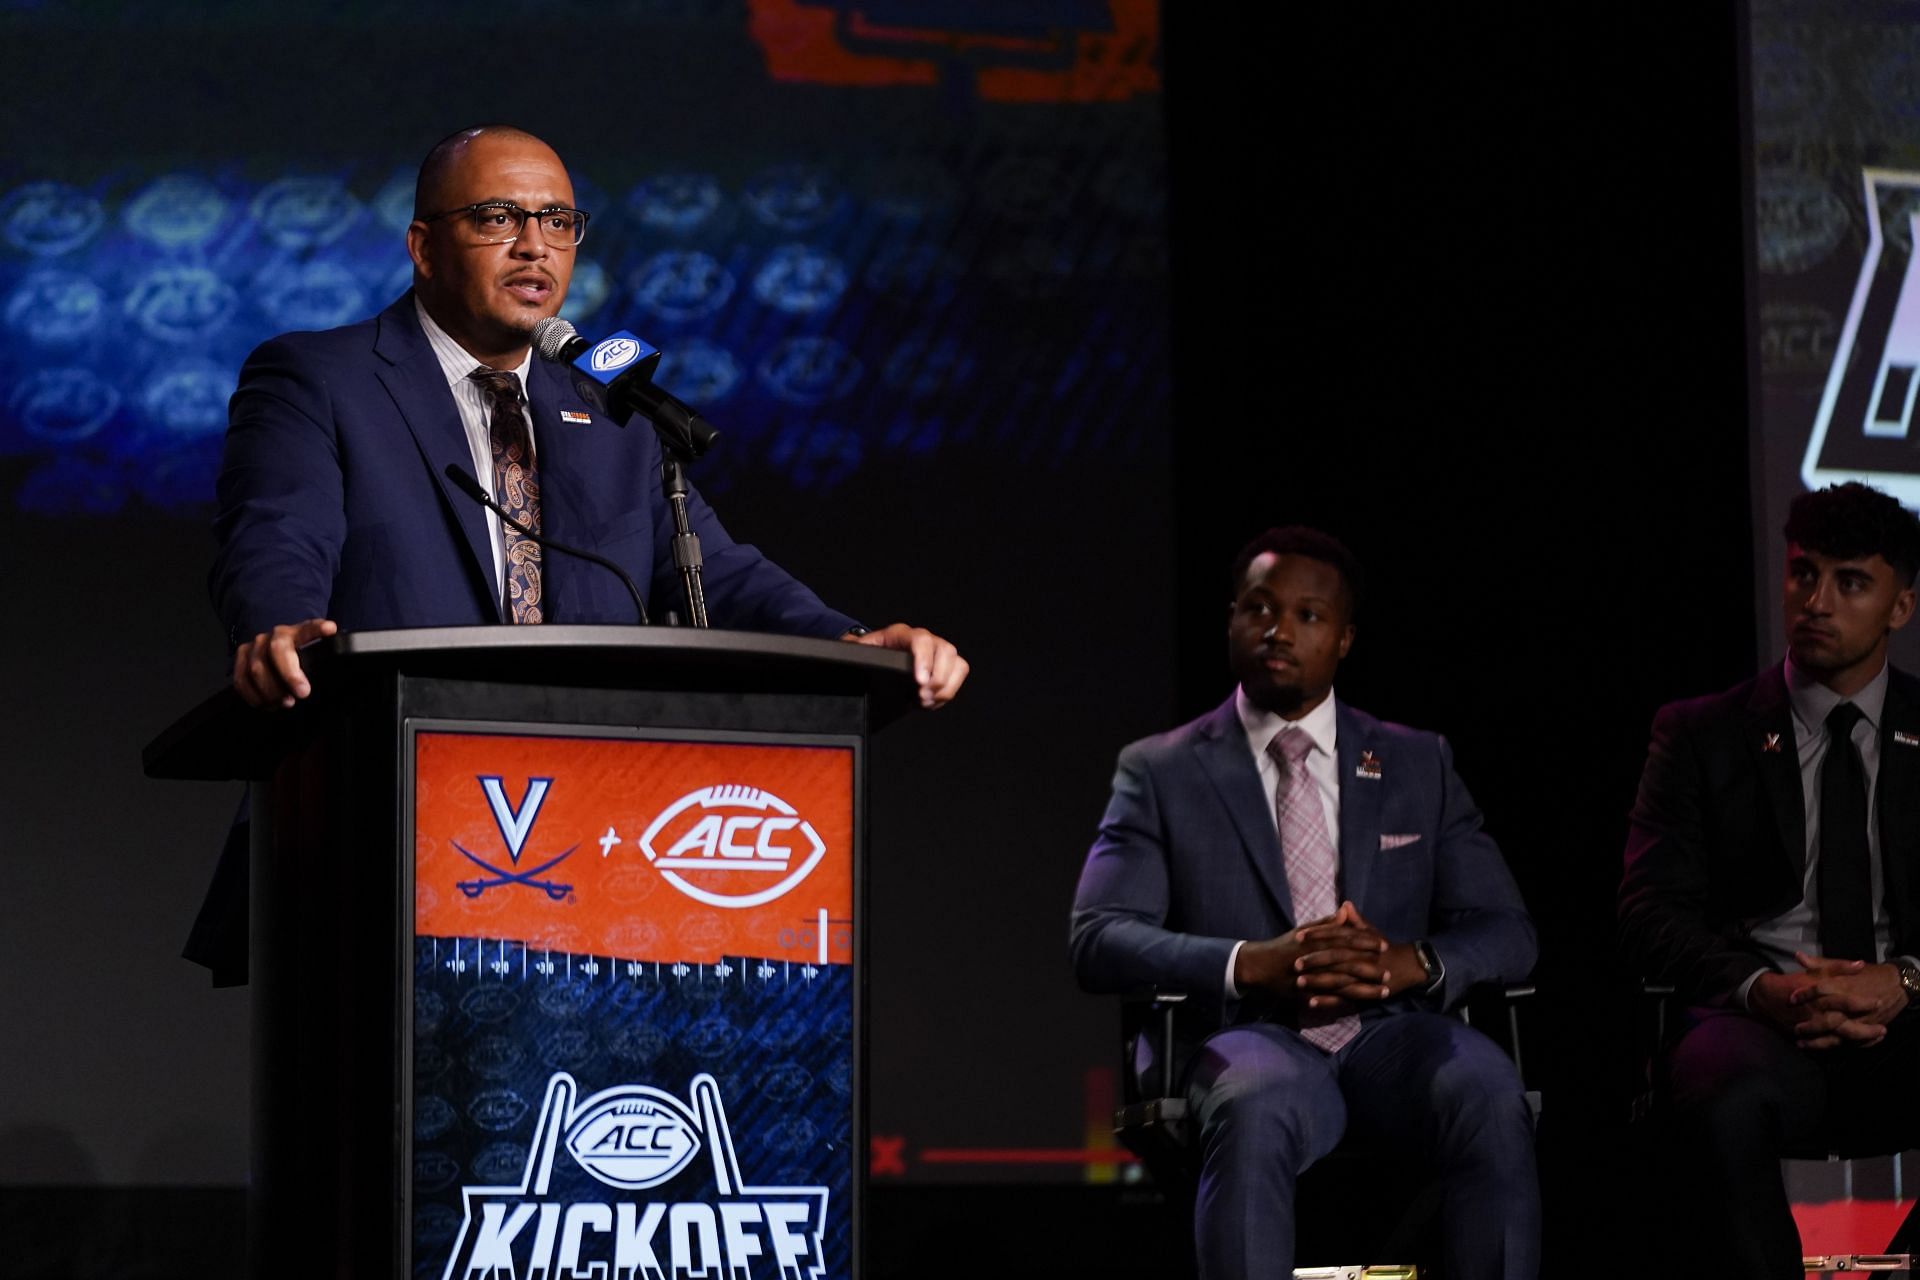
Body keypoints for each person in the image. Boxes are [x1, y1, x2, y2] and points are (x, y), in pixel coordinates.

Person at [188, 124, 967, 979]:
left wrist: (849, 644)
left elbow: (715, 565)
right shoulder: (321, 378)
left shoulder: (611, 412)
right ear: (423, 247)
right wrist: (281, 627)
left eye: (559, 221)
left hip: (594, 853)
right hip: (380, 829)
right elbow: (277, 529)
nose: (534, 246)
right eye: (497, 217)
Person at [1070, 526, 1539, 1279]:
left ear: (1345, 638)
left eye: (1308, 615)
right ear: (1231, 619)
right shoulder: (1160, 769)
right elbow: (1098, 937)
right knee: (1255, 1101)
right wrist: (1251, 965)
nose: (1278, 629)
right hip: (1245, 1035)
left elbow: (1507, 931)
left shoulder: (1421, 761)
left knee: (1487, 1089)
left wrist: (1408, 964)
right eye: (1258, 608)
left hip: (1391, 1037)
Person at [1619, 481, 1920, 1276]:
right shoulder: (1699, 734)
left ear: (1900, 607)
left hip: (1906, 1015)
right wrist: (1762, 989)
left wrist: (1905, 980)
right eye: (1802, 574)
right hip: (1759, 1019)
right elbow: (1649, 909)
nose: (1815, 601)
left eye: (1849, 581)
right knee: (1718, 1090)